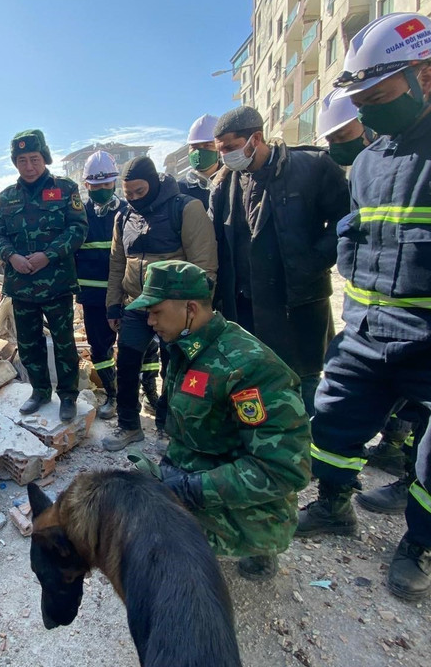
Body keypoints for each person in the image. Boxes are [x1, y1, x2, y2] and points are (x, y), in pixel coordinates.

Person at [297, 12, 431, 601]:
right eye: (360, 103)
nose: (368, 114)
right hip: (369, 330)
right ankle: (334, 504)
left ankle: (422, 543)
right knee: (333, 422)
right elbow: (357, 237)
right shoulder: (369, 160)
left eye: (378, 98)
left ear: (425, 77)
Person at [127, 260, 311, 580]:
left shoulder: (248, 368)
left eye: (156, 311)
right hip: (207, 463)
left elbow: (283, 469)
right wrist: (169, 474)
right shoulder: (189, 346)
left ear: (191, 309)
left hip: (253, 498)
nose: (150, 321)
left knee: (161, 536)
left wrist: (191, 489)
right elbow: (190, 428)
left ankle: (258, 543)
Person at [318, 88, 429, 484]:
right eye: (331, 139)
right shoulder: (365, 168)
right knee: (342, 410)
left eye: (343, 135)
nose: (337, 145)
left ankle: (403, 466)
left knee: (424, 416)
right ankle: (335, 499)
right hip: (366, 317)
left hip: (430, 321)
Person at [211, 106, 349, 415]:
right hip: (244, 307)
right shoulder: (224, 183)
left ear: (256, 138)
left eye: (231, 148)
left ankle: (305, 440)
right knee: (252, 384)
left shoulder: (312, 167)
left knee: (301, 383)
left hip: (295, 300)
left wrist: (313, 262)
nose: (225, 157)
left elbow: (345, 220)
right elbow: (216, 240)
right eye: (221, 151)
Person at [103, 156, 218, 450]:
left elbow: (204, 266)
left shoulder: (186, 209)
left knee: (174, 369)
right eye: (128, 194)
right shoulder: (123, 217)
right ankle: (129, 425)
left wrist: (195, 312)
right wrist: (113, 304)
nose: (134, 199)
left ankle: (168, 426)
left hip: (174, 309)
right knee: (126, 364)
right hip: (135, 306)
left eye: (140, 192)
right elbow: (117, 264)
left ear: (154, 184)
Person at [0, 129, 88, 421]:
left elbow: (78, 228)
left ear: (44, 158)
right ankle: (40, 391)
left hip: (57, 284)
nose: (29, 166)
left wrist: (49, 254)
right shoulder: (7, 196)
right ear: (15, 163)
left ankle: (68, 396)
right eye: (22, 160)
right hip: (21, 286)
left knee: (64, 343)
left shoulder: (65, 189)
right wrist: (12, 256)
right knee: (29, 344)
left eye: (34, 159)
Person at [75, 150, 124, 420]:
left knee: (137, 348)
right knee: (100, 348)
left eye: (106, 184)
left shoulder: (128, 211)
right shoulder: (80, 216)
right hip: (93, 298)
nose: (102, 190)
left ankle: (146, 394)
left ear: (115, 182)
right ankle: (113, 394)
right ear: (87, 185)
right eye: (96, 186)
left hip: (125, 296)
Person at [177, 113, 220, 208]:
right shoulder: (179, 189)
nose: (199, 152)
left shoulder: (234, 182)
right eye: (194, 146)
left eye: (207, 145)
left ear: (220, 148)